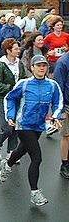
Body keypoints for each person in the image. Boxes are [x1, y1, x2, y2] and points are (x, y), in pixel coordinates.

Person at [0, 55, 63, 206]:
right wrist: (10, 115)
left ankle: (7, 164)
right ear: (32, 68)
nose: (42, 68)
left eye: (44, 66)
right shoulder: (24, 84)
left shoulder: (52, 85)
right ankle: (35, 192)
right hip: (24, 124)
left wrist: (55, 116)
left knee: (22, 150)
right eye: (38, 65)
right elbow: (9, 98)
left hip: (39, 125)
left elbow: (57, 102)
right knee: (37, 157)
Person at [0, 38, 27, 161]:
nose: (18, 51)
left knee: (15, 125)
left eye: (18, 48)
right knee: (7, 127)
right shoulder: (0, 64)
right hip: (4, 99)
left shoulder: (19, 63)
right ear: (8, 50)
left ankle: (12, 151)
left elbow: (23, 78)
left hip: (17, 99)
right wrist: (12, 88)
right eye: (16, 49)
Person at [53, 50, 69, 179]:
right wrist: (61, 110)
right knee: (66, 135)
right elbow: (58, 87)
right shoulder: (63, 62)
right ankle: (64, 164)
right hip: (67, 104)